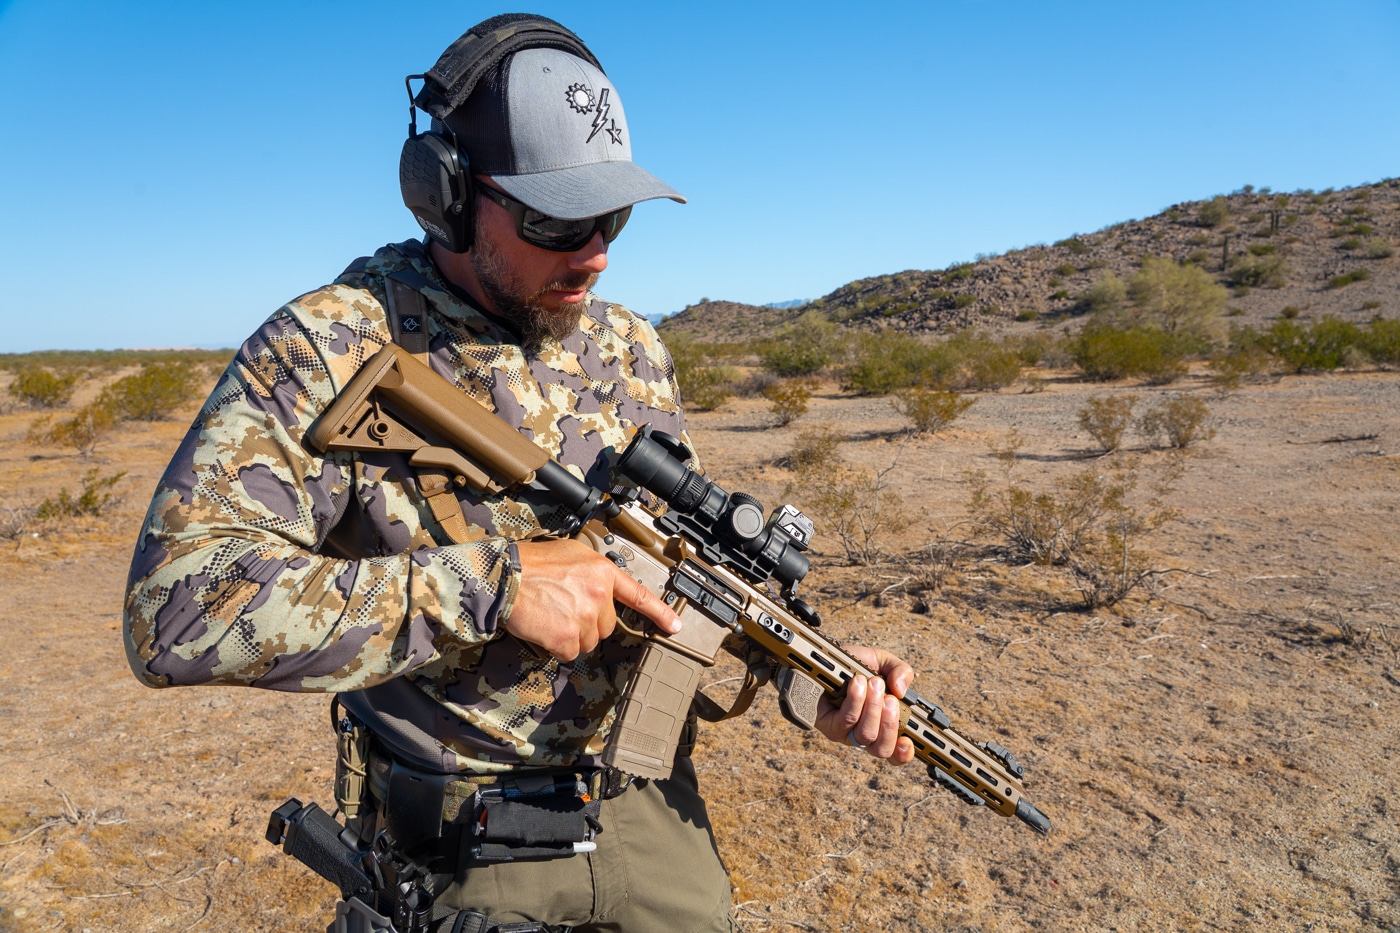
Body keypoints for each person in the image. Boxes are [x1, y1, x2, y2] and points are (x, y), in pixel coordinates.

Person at [123, 14, 915, 933]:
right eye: (556, 219)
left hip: (657, 830)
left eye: (611, 215)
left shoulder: (630, 347)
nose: (597, 253)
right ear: (447, 191)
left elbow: (673, 584)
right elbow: (174, 612)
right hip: (464, 853)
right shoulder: (333, 345)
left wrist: (805, 670)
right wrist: (489, 588)